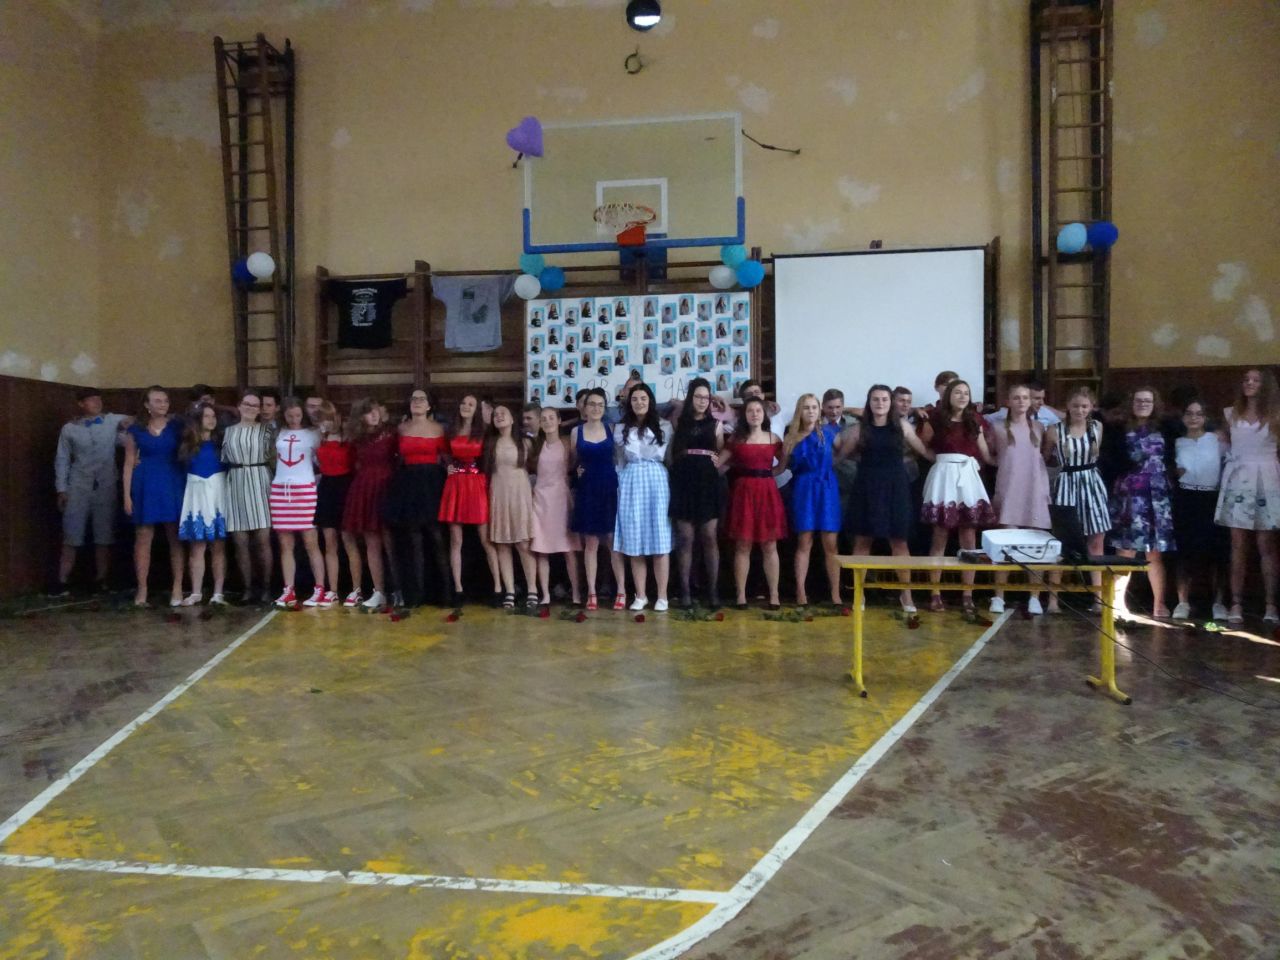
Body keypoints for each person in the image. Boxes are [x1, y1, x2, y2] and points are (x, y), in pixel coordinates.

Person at [845, 385, 933, 613]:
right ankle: (859, 594)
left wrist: (949, 459)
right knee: (862, 541)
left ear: (891, 402)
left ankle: (906, 595)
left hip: (896, 488)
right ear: (869, 402)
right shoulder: (859, 429)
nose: (880, 403)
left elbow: (923, 451)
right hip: (867, 487)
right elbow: (841, 454)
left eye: (884, 399)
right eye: (875, 399)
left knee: (900, 542)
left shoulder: (902, 426)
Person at [919, 379, 995, 613]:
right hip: (944, 477)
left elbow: (985, 454)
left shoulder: (974, 421)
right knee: (940, 535)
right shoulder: (935, 420)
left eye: (966, 393)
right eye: (958, 392)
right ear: (949, 396)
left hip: (967, 477)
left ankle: (967, 594)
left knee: (968, 537)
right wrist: (940, 461)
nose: (962, 396)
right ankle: (935, 593)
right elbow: (923, 446)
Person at [1216, 368, 1280, 624]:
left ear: (1266, 386)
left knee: (1267, 546)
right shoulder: (1230, 414)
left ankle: (1271, 605)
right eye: (1246, 380)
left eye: (1256, 380)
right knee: (1237, 545)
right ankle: (1236, 603)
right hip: (1238, 479)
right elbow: (1223, 445)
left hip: (1268, 479)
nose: (1250, 383)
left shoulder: (1275, 415)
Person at [52, 387, 130, 595]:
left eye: (98, 399)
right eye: (91, 400)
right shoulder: (70, 429)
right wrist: (61, 488)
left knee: (104, 533)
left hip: (105, 484)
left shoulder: (111, 421)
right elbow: (62, 459)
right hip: (78, 484)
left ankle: (102, 579)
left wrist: (128, 425)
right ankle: (62, 580)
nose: (97, 403)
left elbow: (134, 421)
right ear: (81, 404)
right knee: (71, 532)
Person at [1106, 387, 1174, 618]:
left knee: (1155, 552)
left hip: (1157, 495)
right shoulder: (1118, 428)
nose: (1143, 404)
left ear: (1155, 404)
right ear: (1131, 402)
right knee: (1125, 550)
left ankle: (1159, 604)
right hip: (1129, 494)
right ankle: (1116, 603)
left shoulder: (1166, 428)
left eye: (1148, 401)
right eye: (1139, 400)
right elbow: (1112, 459)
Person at [1042, 386, 1111, 612]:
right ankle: (1053, 600)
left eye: (1084, 406)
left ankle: (1098, 598)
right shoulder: (1054, 430)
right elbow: (1046, 458)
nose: (1080, 410)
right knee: (1062, 541)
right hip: (1066, 482)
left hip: (1091, 482)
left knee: (1096, 541)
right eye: (1075, 406)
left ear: (1091, 407)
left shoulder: (1097, 427)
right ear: (1067, 407)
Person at [989, 384, 1053, 614]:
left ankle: (1034, 597)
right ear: (1008, 401)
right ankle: (999, 596)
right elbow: (990, 455)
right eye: (1016, 397)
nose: (1022, 401)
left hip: (1035, 490)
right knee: (1005, 545)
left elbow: (1043, 456)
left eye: (1025, 397)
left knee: (1036, 546)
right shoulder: (997, 427)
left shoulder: (1039, 427)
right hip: (1009, 490)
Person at [122, 386, 187, 607]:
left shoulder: (177, 427)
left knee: (175, 536)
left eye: (165, 400)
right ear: (147, 405)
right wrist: (126, 495)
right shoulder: (135, 430)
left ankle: (177, 587)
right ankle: (142, 589)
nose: (163, 404)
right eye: (157, 401)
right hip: (145, 483)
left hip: (172, 481)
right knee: (143, 536)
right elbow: (128, 463)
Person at [385, 389, 449, 607]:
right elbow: (396, 458)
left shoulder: (438, 428)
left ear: (429, 405)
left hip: (432, 483)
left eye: (422, 399)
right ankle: (415, 595)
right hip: (409, 483)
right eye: (414, 399)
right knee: (413, 540)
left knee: (437, 537)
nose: (417, 402)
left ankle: (445, 593)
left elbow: (446, 458)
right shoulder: (401, 428)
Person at [723, 396, 787, 608]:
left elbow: (783, 464)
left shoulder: (773, 438)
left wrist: (767, 475)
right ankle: (741, 595)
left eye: (758, 410)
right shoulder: (736, 439)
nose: (754, 414)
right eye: (750, 411)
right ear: (744, 415)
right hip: (743, 493)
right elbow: (720, 462)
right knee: (743, 544)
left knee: (770, 544)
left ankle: (774, 594)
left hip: (767, 492)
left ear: (764, 414)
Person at [614, 382, 673, 611]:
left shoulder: (664, 425)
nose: (639, 402)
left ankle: (662, 596)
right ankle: (640, 595)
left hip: (657, 481)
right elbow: (619, 460)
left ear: (650, 401)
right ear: (629, 403)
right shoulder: (621, 428)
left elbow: (669, 457)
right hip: (631, 481)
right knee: (634, 539)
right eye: (635, 399)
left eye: (643, 398)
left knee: (660, 539)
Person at [668, 378, 725, 608]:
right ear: (690, 398)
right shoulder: (677, 422)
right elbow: (672, 454)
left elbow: (721, 453)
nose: (702, 401)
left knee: (709, 536)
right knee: (685, 538)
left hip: (708, 484)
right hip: (683, 483)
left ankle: (713, 592)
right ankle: (685, 592)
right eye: (698, 396)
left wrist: (716, 465)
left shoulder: (716, 424)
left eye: (706, 397)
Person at [438, 394, 500, 604]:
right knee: (456, 540)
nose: (466, 406)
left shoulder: (484, 431)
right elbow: (444, 453)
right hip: (455, 484)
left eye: (471, 404)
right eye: (463, 403)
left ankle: (498, 588)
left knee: (486, 539)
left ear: (476, 410)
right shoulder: (451, 431)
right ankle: (458, 589)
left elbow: (489, 458)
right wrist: (448, 465)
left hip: (476, 484)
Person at [784, 393, 843, 607]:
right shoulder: (791, 437)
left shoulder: (830, 433)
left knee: (830, 543)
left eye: (814, 407)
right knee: (804, 541)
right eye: (806, 407)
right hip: (803, 489)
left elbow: (845, 452)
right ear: (800, 411)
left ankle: (835, 593)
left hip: (827, 488)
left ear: (820, 411)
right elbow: (781, 466)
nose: (810, 411)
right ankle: (801, 591)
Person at [1172, 398, 1228, 621]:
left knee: (1217, 552)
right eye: (1189, 413)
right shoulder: (1177, 442)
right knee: (1184, 551)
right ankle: (1182, 601)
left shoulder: (1217, 440)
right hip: (1186, 497)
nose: (1193, 418)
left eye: (1198, 413)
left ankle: (1219, 603)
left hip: (1211, 497)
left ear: (1206, 417)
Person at [572, 388, 626, 610]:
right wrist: (577, 472)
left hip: (608, 487)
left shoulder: (612, 428)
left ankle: (621, 590)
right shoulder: (576, 431)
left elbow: (619, 459)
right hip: (587, 489)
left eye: (600, 405)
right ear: (584, 407)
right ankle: (592, 592)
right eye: (592, 404)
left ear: (605, 408)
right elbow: (573, 460)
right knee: (591, 543)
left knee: (612, 541)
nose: (596, 408)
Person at [269, 398, 326, 609]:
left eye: (298, 415)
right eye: (290, 415)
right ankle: (288, 589)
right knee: (285, 544)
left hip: (304, 490)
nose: (294, 419)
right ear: (283, 415)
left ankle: (319, 588)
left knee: (311, 542)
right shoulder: (277, 433)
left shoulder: (313, 434)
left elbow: (320, 460)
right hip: (280, 491)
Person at [342, 399, 396, 609]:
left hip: (386, 487)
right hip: (365, 488)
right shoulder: (357, 439)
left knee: (390, 542)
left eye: (375, 411)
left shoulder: (390, 434)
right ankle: (379, 591)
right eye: (368, 412)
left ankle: (398, 588)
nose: (374, 415)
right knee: (372, 542)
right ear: (360, 416)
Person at [222, 390, 274, 604]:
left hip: (260, 480)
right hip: (236, 482)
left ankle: (267, 587)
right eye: (247, 404)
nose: (250, 408)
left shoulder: (267, 431)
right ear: (239, 406)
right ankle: (247, 588)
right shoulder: (228, 431)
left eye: (255, 405)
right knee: (240, 541)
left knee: (262, 539)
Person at [485, 404, 538, 608]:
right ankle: (509, 590)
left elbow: (535, 467)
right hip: (498, 493)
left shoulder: (525, 442)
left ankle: (532, 589)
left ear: (513, 418)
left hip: (520, 494)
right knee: (502, 543)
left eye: (503, 413)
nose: (499, 416)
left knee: (523, 543)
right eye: (496, 414)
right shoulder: (490, 443)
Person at [529, 407, 583, 607]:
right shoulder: (536, 445)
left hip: (561, 498)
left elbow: (575, 465)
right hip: (541, 499)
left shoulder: (567, 443)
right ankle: (545, 594)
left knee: (568, 548)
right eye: (544, 418)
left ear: (559, 421)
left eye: (551, 418)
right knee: (541, 548)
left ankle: (576, 593)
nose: (548, 421)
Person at [177, 403, 228, 605]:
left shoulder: (221, 444)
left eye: (213, 416)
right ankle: (196, 592)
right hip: (196, 494)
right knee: (197, 546)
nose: (211, 420)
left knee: (218, 546)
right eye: (206, 416)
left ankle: (218, 593)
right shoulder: (188, 445)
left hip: (217, 493)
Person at [312, 401, 361, 607]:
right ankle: (332, 590)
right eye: (322, 419)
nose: (326, 423)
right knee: (329, 542)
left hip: (345, 488)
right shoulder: (319, 439)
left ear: (337, 418)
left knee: (349, 541)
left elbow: (356, 464)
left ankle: (356, 589)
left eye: (329, 418)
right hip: (327, 488)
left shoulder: (348, 439)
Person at [986, 379, 1062, 428]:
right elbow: (984, 420)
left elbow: (1060, 426)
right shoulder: (1004, 414)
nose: (1042, 403)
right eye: (1037, 398)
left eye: (1043, 398)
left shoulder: (1045, 412)